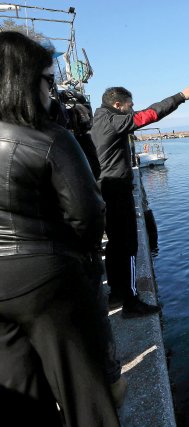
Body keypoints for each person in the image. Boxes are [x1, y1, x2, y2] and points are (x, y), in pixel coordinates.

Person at [0, 31, 119, 425]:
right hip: (48, 277)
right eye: (48, 80)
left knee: (18, 391)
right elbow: (87, 214)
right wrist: (82, 258)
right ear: (24, 80)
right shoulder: (50, 139)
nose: (52, 90)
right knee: (84, 392)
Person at [93, 79, 189, 317]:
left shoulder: (99, 120)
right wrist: (180, 97)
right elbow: (149, 115)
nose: (133, 109)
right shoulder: (114, 121)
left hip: (105, 189)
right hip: (117, 191)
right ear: (118, 104)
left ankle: (116, 294)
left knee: (114, 244)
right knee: (130, 246)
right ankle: (132, 301)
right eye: (130, 106)